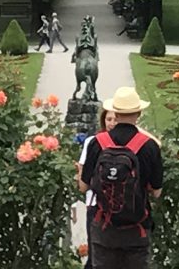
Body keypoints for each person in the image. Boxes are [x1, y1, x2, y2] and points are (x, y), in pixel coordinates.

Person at [80, 87, 163, 269]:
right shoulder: (149, 146)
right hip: (136, 228)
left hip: (104, 227)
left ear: (115, 113)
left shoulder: (97, 143)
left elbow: (84, 187)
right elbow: (156, 191)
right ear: (139, 113)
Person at [77, 109, 118, 269]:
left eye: (115, 119)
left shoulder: (93, 142)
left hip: (98, 205)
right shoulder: (93, 142)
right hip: (106, 206)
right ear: (103, 120)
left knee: (97, 256)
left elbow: (83, 183)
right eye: (109, 119)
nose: (112, 123)